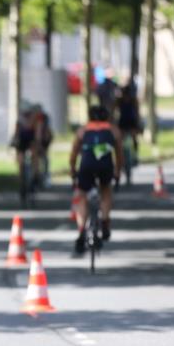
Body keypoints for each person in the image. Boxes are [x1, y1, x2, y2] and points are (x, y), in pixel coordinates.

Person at [69, 105, 123, 254]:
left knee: (81, 196)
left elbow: (73, 154)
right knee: (106, 191)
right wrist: (118, 172)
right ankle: (105, 221)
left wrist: (73, 170)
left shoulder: (83, 130)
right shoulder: (113, 130)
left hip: (86, 166)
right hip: (105, 166)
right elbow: (119, 155)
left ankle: (81, 230)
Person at [11, 102, 43, 201]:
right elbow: (16, 134)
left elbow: (38, 134)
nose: (26, 115)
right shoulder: (19, 120)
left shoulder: (36, 120)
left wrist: (38, 143)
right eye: (25, 113)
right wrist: (13, 142)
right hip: (22, 141)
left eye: (28, 113)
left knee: (35, 155)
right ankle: (21, 181)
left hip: (31, 140)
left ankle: (35, 176)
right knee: (20, 161)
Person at [116, 80, 141, 166]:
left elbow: (137, 113)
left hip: (131, 121)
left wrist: (138, 124)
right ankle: (121, 157)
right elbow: (113, 111)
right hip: (123, 121)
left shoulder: (133, 101)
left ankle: (135, 155)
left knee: (134, 138)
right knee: (120, 139)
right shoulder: (119, 101)